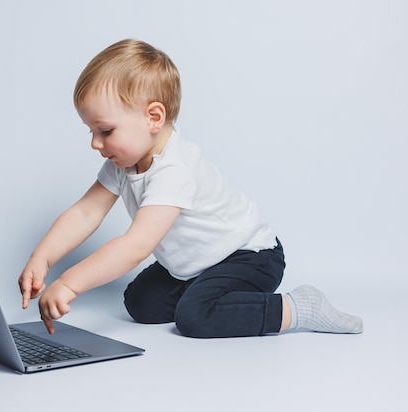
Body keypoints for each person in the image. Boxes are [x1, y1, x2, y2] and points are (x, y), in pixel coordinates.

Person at [18, 39, 363, 338]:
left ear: (153, 117)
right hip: (198, 265)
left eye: (105, 131)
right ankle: (209, 294)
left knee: (194, 317)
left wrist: (69, 283)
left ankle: (297, 307)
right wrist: (43, 256)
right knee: (141, 303)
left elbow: (137, 245)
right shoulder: (121, 164)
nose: (95, 143)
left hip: (248, 256)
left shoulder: (175, 169)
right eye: (90, 131)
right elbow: (85, 212)